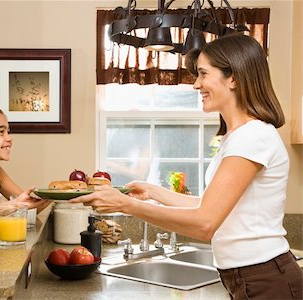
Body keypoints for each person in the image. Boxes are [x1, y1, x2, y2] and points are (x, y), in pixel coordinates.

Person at [71, 34, 303, 299]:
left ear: (234, 78)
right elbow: (207, 206)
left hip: (265, 279)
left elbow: (204, 223)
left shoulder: (252, 137)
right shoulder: (238, 137)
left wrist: (127, 205)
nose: (196, 85)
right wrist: (153, 192)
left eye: (203, 74)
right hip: (253, 276)